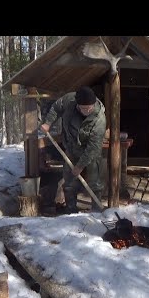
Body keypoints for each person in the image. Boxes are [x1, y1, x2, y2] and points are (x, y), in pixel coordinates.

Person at [41, 86, 107, 214]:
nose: (88, 110)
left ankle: (97, 211)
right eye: (84, 108)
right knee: (70, 182)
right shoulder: (69, 101)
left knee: (95, 183)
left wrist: (80, 166)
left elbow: (93, 147)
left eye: (90, 107)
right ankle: (70, 210)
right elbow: (56, 107)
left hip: (91, 152)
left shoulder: (99, 119)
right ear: (77, 105)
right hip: (71, 148)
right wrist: (48, 123)